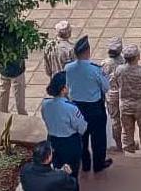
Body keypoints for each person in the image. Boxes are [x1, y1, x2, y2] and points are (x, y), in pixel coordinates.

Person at [64, 36, 112, 173]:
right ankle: (98, 164)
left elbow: (66, 86)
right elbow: (106, 87)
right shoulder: (95, 69)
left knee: (81, 138)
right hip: (94, 108)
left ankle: (85, 164)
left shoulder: (68, 68)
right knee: (98, 138)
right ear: (88, 51)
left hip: (76, 107)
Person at [41, 72, 87, 178]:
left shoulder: (45, 104)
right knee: (72, 174)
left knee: (57, 170)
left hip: (52, 141)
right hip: (70, 143)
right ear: (63, 89)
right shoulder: (71, 108)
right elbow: (82, 128)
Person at [110, 44, 141, 154]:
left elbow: (115, 84)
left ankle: (128, 151)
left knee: (126, 130)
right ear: (137, 57)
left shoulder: (119, 70)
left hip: (125, 105)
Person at [100, 37, 124, 151]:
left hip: (111, 94)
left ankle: (119, 144)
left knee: (115, 119)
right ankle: (127, 143)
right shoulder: (123, 61)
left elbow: (102, 80)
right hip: (123, 92)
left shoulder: (105, 63)